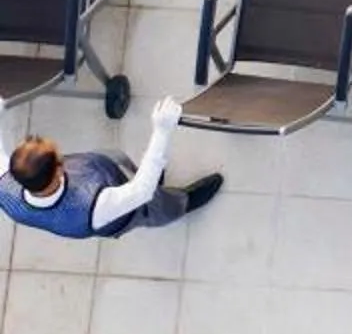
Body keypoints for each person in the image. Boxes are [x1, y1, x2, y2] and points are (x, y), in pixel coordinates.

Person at [2, 99, 222, 240]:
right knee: (152, 203)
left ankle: (150, 174)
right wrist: (162, 131)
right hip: (123, 209)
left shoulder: (5, 184)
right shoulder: (93, 207)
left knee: (132, 170)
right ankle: (183, 204)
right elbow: (141, 191)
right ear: (59, 171)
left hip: (97, 170)